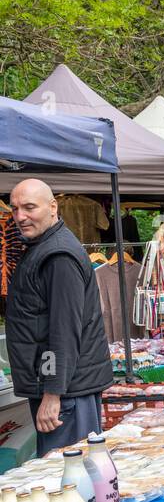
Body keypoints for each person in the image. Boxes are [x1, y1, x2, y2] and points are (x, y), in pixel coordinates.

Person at [6, 179, 113, 454]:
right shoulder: (42, 247)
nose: (20, 216)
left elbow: (64, 332)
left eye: (29, 207)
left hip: (66, 393)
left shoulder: (58, 256)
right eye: (15, 208)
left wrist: (53, 394)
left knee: (67, 476)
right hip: (63, 388)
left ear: (53, 207)